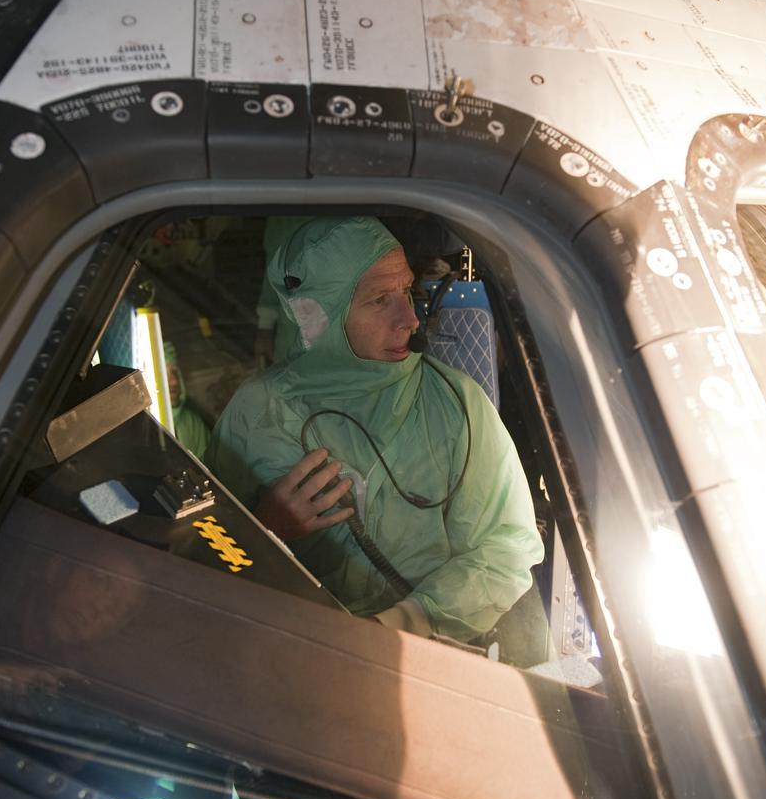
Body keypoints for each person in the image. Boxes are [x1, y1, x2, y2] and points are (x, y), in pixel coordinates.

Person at [206, 217, 544, 644]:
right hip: (289, 650)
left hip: (425, 657)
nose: (410, 319)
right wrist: (263, 530)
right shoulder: (255, 412)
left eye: (406, 291)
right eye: (380, 300)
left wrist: (405, 624)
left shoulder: (455, 401)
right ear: (319, 316)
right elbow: (203, 560)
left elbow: (505, 549)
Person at [164, 341, 210, 461]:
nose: (174, 381)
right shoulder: (143, 427)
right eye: (164, 374)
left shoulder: (192, 422)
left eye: (174, 372)